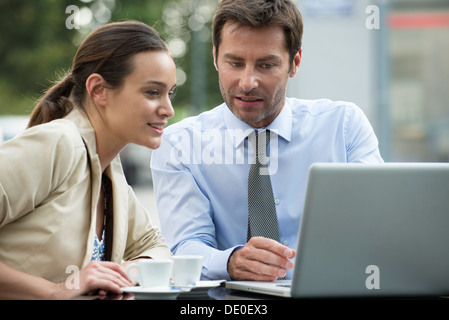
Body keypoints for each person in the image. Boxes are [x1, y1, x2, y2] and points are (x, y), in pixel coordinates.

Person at [151, 0, 383, 282]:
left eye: (266, 65)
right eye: (234, 63)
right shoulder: (179, 145)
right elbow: (185, 245)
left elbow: (376, 228)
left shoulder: (343, 126)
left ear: (294, 63)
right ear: (215, 57)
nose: (248, 82)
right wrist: (231, 261)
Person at [0, 21, 176, 299]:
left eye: (170, 93)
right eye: (152, 92)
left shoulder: (110, 172)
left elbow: (155, 247)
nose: (169, 109)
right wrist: (57, 290)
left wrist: (128, 272)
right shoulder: (58, 143)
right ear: (99, 90)